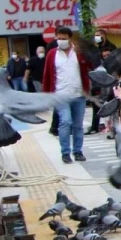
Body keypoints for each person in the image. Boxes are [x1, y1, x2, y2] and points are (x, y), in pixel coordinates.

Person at [42, 25, 92, 164]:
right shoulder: (52, 54)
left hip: (78, 95)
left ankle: (78, 151)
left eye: (64, 38)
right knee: (65, 121)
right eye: (58, 38)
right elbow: (46, 75)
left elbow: (89, 67)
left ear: (70, 38)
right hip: (60, 95)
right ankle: (65, 152)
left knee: (77, 125)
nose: (61, 41)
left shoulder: (78, 52)